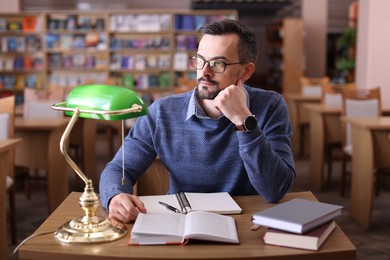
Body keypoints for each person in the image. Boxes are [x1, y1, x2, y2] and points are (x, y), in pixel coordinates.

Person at [99, 19, 296, 223]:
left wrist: (243, 121)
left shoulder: (271, 106)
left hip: (247, 224)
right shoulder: (162, 112)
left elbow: (275, 189)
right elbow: (118, 169)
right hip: (180, 222)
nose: (204, 72)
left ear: (246, 71)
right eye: (200, 60)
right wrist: (114, 196)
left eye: (218, 63)